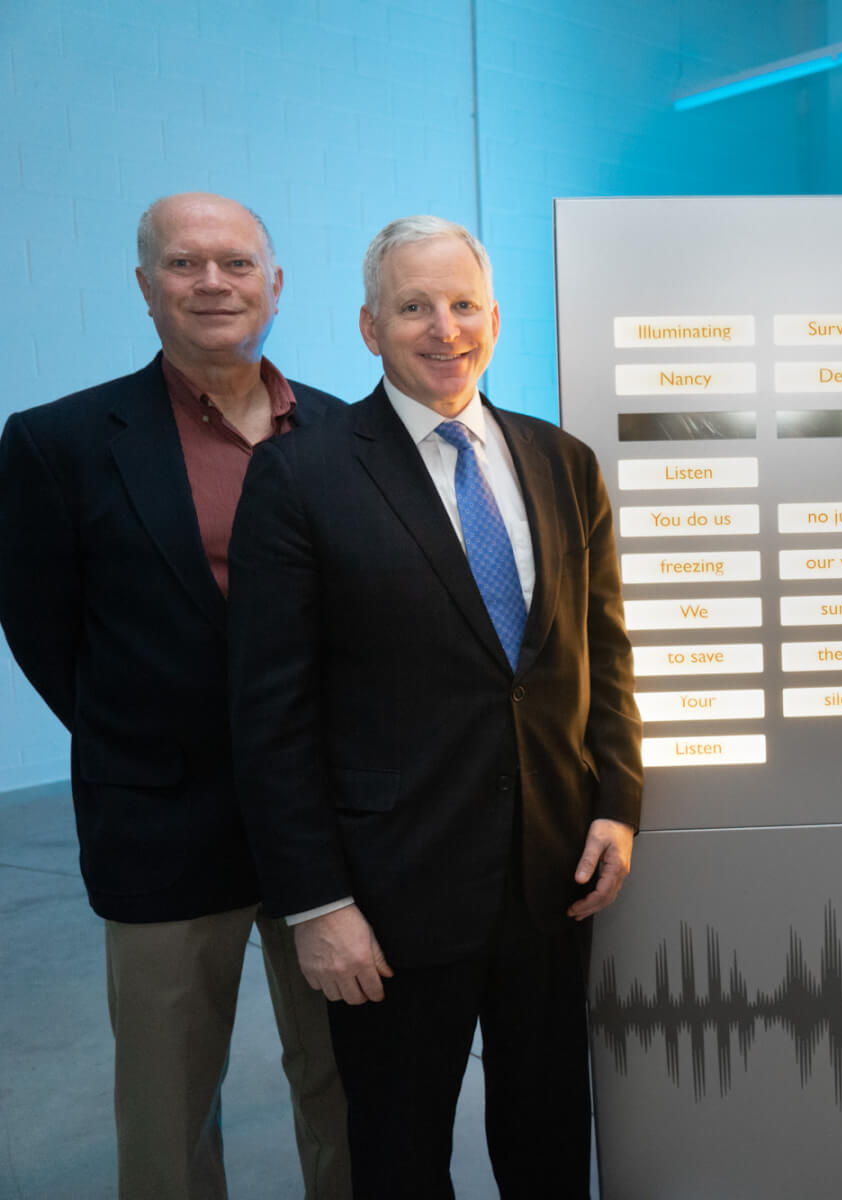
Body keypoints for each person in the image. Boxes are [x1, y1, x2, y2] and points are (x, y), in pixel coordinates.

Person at [227, 214, 644, 1197]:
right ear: (370, 328)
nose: (443, 327)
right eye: (414, 306)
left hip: (553, 879)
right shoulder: (301, 474)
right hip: (389, 896)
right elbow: (269, 711)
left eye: (462, 304)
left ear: (494, 318)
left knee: (548, 1140)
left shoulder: (562, 462)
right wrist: (319, 904)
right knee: (402, 1153)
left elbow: (606, 657)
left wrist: (619, 803)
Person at [0, 193, 350, 1199]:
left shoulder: (340, 434)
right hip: (160, 823)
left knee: (348, 1085)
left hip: (331, 826)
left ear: (274, 285)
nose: (212, 282)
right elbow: (41, 630)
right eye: (184, 264)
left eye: (235, 263)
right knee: (167, 1108)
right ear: (145, 287)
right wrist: (145, 738)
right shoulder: (57, 443)